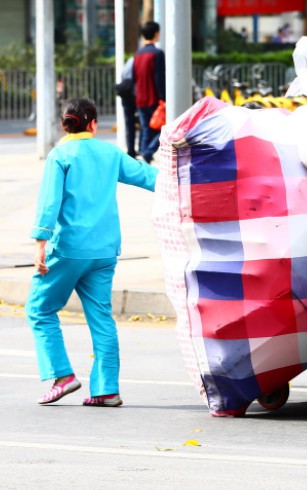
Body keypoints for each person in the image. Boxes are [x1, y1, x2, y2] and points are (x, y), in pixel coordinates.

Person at [27, 97, 158, 407]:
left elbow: (49, 202)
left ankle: (62, 376)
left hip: (70, 250)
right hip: (105, 251)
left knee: (40, 309)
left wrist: (40, 243)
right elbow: (150, 178)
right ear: (94, 124)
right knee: (101, 317)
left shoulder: (60, 155)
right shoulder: (110, 153)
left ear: (64, 124)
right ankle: (107, 390)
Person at [133, 21, 165, 163]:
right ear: (156, 34)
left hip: (140, 98)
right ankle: (148, 152)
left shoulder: (137, 54)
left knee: (146, 129)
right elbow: (159, 78)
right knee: (164, 128)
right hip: (154, 98)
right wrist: (163, 98)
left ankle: (145, 154)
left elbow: (134, 77)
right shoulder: (157, 54)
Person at [114, 57, 138, 158]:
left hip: (126, 94)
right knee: (144, 123)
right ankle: (142, 148)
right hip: (135, 94)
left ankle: (131, 150)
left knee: (129, 124)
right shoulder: (138, 60)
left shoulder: (130, 61)